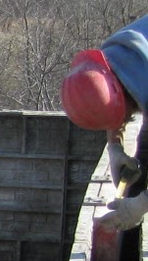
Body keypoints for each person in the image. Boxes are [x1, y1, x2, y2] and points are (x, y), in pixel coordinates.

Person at [63, 14, 148, 231]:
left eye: (124, 117)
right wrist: (114, 146)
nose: (125, 120)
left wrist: (141, 204)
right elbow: (115, 88)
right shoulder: (113, 55)